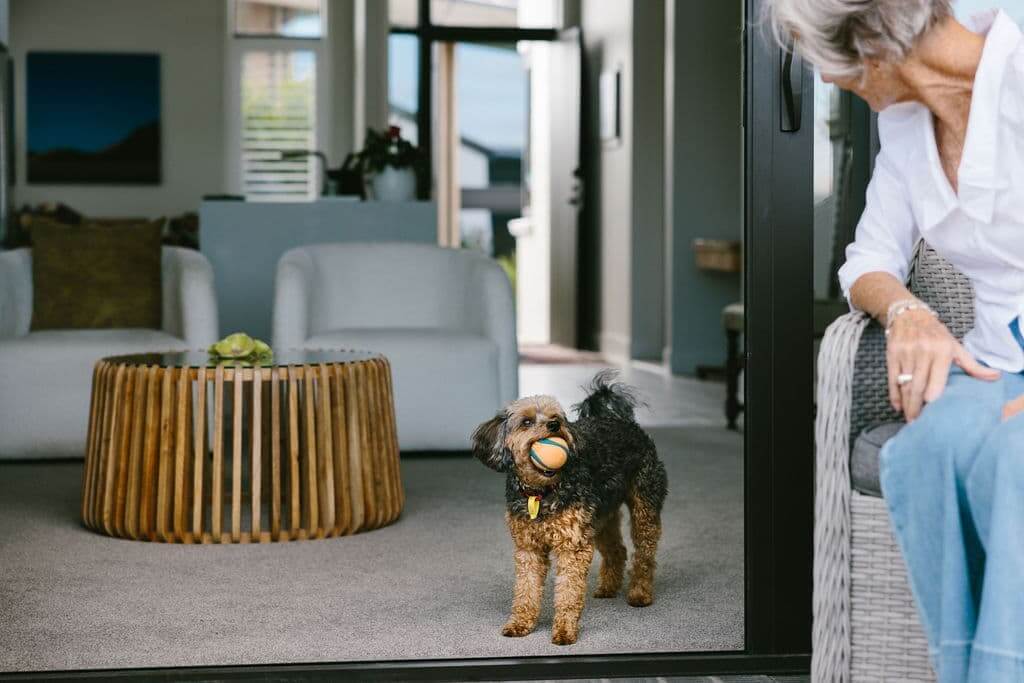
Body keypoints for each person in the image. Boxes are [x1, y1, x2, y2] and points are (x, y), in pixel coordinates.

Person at [765, 1, 1024, 680]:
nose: (828, 81)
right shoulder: (907, 126)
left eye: (829, 63)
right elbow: (867, 262)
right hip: (996, 360)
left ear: (873, 43)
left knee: (1016, 460)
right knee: (928, 449)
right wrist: (909, 312)